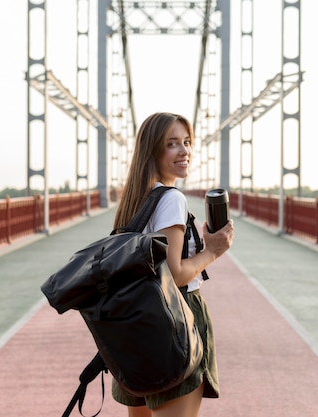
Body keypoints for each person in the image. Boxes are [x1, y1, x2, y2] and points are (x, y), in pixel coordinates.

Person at [112, 112, 234, 417]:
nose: (184, 151)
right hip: (174, 320)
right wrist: (213, 251)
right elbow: (174, 275)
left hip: (135, 325)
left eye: (187, 142)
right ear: (153, 150)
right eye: (172, 144)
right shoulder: (171, 199)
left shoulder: (135, 197)